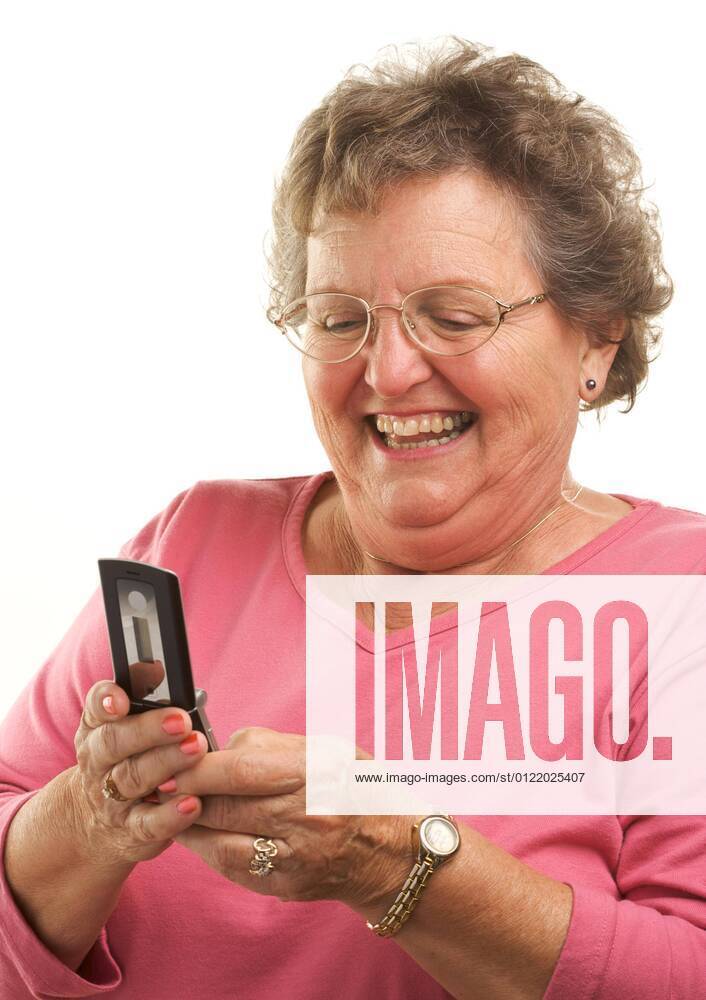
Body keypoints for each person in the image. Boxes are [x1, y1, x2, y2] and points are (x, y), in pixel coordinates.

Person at [1, 36, 705, 1000]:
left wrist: (400, 865)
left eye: (453, 315)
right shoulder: (198, 542)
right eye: (339, 318)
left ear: (598, 336)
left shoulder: (679, 603)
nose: (386, 372)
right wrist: (91, 815)